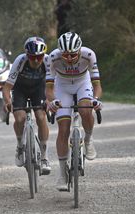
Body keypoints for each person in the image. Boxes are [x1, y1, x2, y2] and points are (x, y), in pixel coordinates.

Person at [45, 32, 103, 191]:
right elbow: (49, 87)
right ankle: (63, 173)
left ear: (79, 51)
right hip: (62, 86)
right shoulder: (53, 57)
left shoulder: (89, 55)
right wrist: (51, 101)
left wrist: (96, 99)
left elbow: (96, 84)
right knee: (63, 129)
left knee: (86, 109)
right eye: (65, 55)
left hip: (82, 83)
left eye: (72, 55)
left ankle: (89, 139)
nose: (69, 59)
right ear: (59, 52)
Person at [2, 37, 51, 174]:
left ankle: (44, 157)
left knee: (41, 117)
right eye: (32, 57)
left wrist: (49, 100)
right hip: (20, 89)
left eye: (39, 57)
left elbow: (53, 85)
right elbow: (6, 88)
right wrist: (7, 102)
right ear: (27, 55)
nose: (36, 60)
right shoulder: (20, 61)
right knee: (19, 118)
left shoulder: (48, 61)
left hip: (38, 89)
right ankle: (19, 145)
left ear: (43, 55)